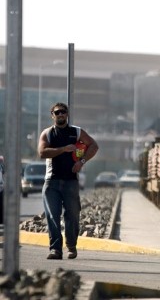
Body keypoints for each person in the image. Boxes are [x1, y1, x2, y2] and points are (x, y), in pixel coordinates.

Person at [38, 102, 98, 260]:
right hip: (52, 182)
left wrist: (82, 162)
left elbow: (94, 145)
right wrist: (63, 149)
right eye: (57, 112)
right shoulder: (47, 133)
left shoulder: (76, 132)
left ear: (67, 114)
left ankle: (71, 246)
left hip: (71, 182)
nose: (60, 115)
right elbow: (42, 152)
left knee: (72, 215)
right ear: (52, 115)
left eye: (63, 112)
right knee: (53, 216)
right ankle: (55, 250)